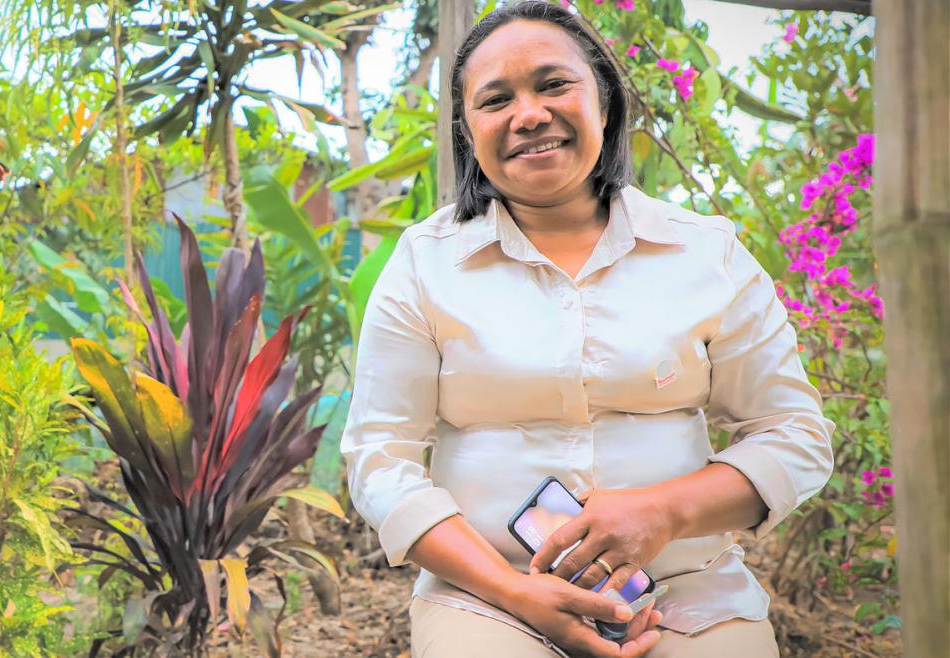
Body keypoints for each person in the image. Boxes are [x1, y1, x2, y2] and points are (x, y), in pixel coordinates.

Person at [339, 2, 835, 657]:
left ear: (603, 98)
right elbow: (380, 457)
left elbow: (795, 435)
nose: (529, 114)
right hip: (489, 597)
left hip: (688, 594)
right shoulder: (424, 264)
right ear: (467, 130)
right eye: (495, 99)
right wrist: (515, 592)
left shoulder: (707, 254)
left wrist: (663, 512)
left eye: (552, 84)